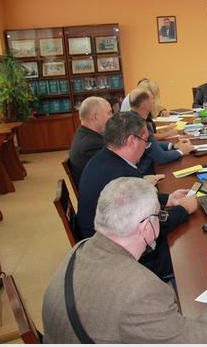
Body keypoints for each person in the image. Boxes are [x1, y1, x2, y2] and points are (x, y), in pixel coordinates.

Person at [43, 177, 207, 343]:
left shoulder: (80, 248)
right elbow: (192, 342)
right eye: (160, 216)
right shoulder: (142, 290)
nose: (161, 220)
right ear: (146, 227)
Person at [77, 112, 198, 280]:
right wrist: (184, 209)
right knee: (192, 251)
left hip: (101, 244)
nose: (147, 146)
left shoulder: (105, 158)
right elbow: (153, 227)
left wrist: (168, 199)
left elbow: (136, 202)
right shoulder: (123, 174)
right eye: (145, 141)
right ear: (132, 141)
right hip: (121, 260)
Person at [130, 89, 194, 175]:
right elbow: (161, 157)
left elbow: (152, 143)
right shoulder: (139, 125)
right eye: (152, 99)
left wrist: (173, 146)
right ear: (145, 105)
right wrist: (182, 151)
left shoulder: (132, 118)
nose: (154, 102)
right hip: (142, 174)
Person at [68, 97, 112, 184]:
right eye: (109, 113)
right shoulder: (91, 145)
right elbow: (111, 171)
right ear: (95, 117)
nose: (112, 116)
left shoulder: (85, 134)